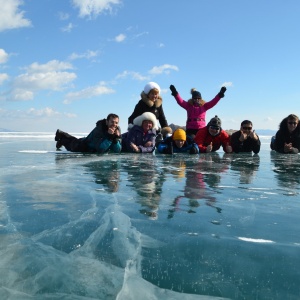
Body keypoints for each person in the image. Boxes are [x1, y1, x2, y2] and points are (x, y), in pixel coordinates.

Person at [55, 113, 121, 153]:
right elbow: (100, 149)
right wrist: (109, 137)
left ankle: (62, 134)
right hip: (83, 146)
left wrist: (115, 139)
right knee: (71, 146)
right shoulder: (99, 130)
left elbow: (118, 150)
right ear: (107, 122)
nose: (114, 124)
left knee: (73, 140)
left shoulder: (117, 130)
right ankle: (62, 138)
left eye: (116, 123)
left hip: (88, 144)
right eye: (112, 122)